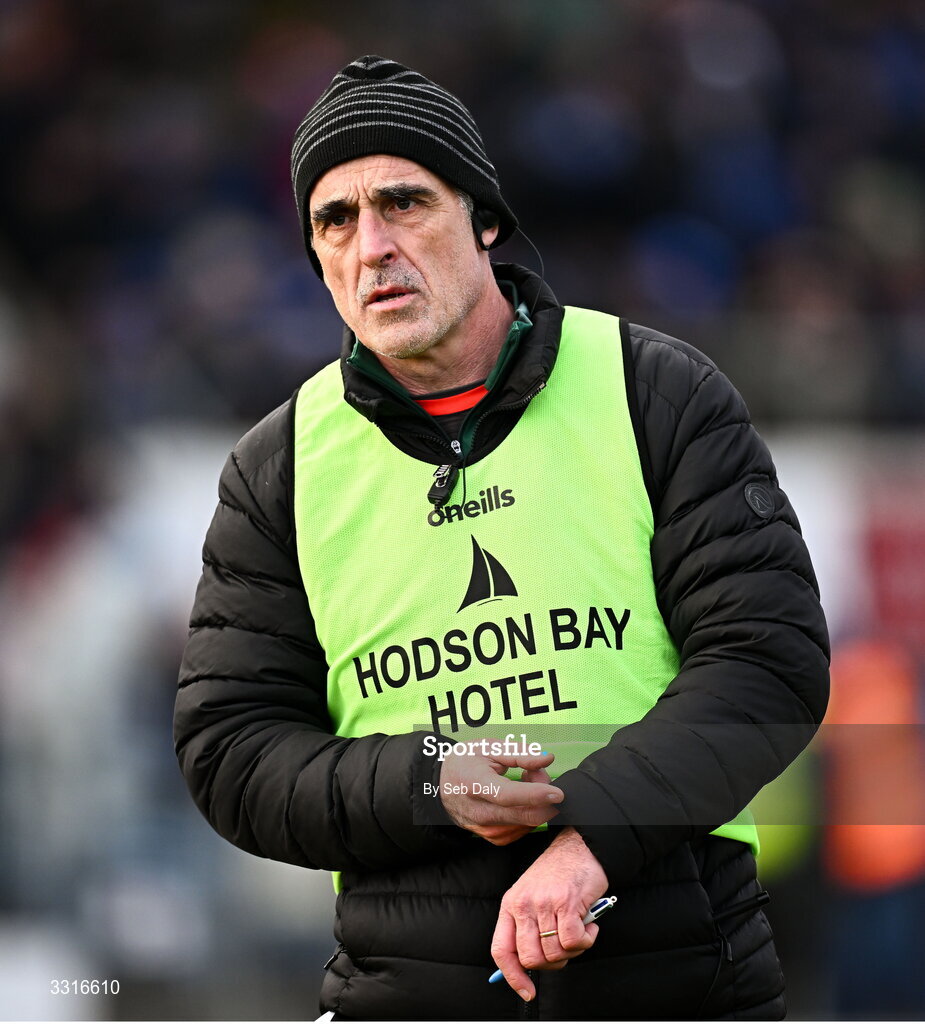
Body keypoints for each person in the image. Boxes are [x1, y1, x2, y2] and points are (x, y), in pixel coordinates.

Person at [174, 55, 829, 1020]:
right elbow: (230, 752)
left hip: (681, 980)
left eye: (405, 203)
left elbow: (766, 663)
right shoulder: (279, 466)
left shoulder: (656, 390)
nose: (372, 248)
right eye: (335, 219)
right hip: (406, 994)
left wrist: (590, 843)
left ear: (484, 220)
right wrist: (432, 778)